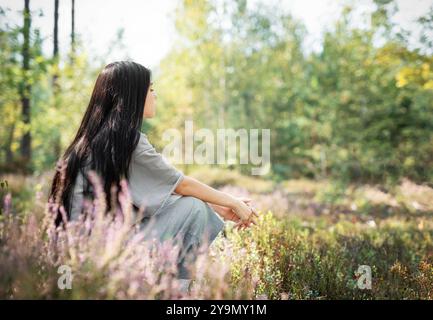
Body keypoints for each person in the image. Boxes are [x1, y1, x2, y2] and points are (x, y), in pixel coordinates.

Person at [48, 61, 257, 291]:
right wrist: (234, 202)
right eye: (151, 89)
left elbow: (157, 195)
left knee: (194, 206)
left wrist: (219, 207)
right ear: (133, 95)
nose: (155, 95)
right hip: (100, 261)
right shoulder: (126, 141)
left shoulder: (94, 141)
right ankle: (177, 296)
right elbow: (181, 185)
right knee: (195, 209)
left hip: (74, 266)